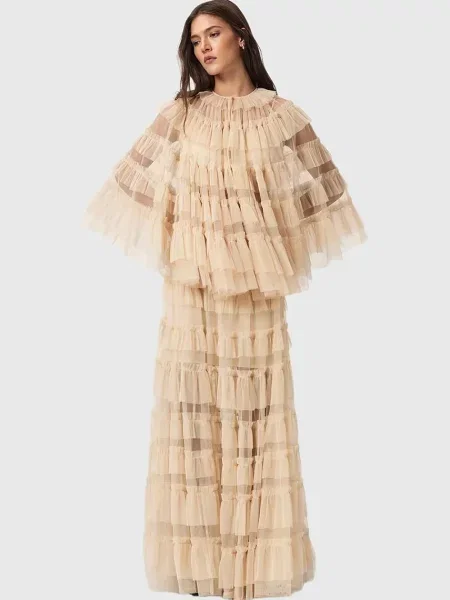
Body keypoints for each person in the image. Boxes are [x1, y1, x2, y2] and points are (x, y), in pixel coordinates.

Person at [82, 1, 368, 598]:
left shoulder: (281, 115)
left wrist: (268, 231)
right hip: (192, 292)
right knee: (194, 417)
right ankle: (202, 572)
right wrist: (189, 228)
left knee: (255, 418)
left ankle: (250, 572)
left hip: (256, 294)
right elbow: (133, 182)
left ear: (240, 36)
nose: (205, 47)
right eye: (196, 41)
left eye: (213, 34)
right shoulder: (182, 115)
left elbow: (327, 189)